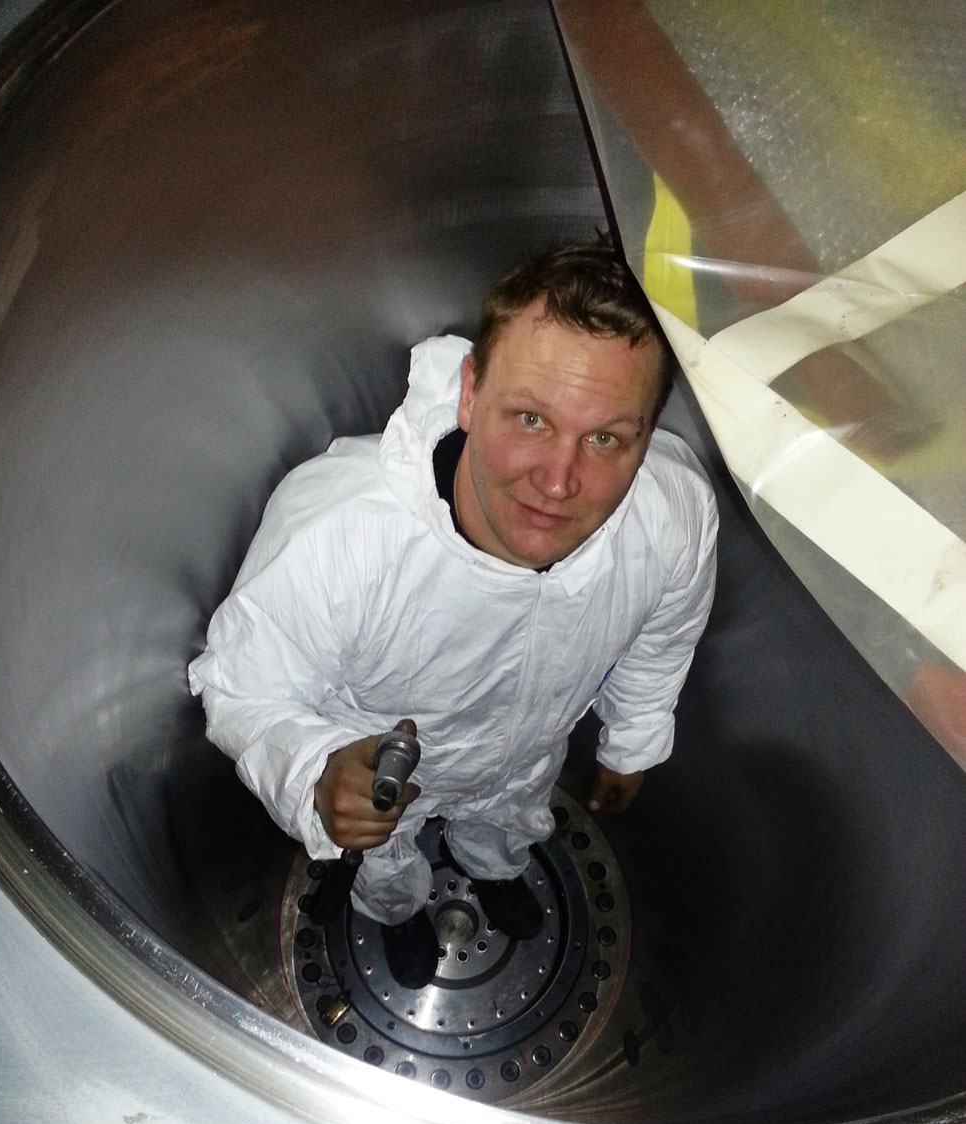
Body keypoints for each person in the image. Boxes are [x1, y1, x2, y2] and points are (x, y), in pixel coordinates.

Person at [189, 239, 718, 988]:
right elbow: (241, 683)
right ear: (470, 392)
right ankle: (396, 912)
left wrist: (632, 741)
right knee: (385, 859)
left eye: (604, 437)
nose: (558, 482)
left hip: (527, 759)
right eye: (530, 418)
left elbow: (664, 636)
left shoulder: (671, 514)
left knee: (511, 825)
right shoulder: (343, 531)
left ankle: (493, 870)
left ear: (649, 430)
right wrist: (315, 772)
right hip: (387, 781)